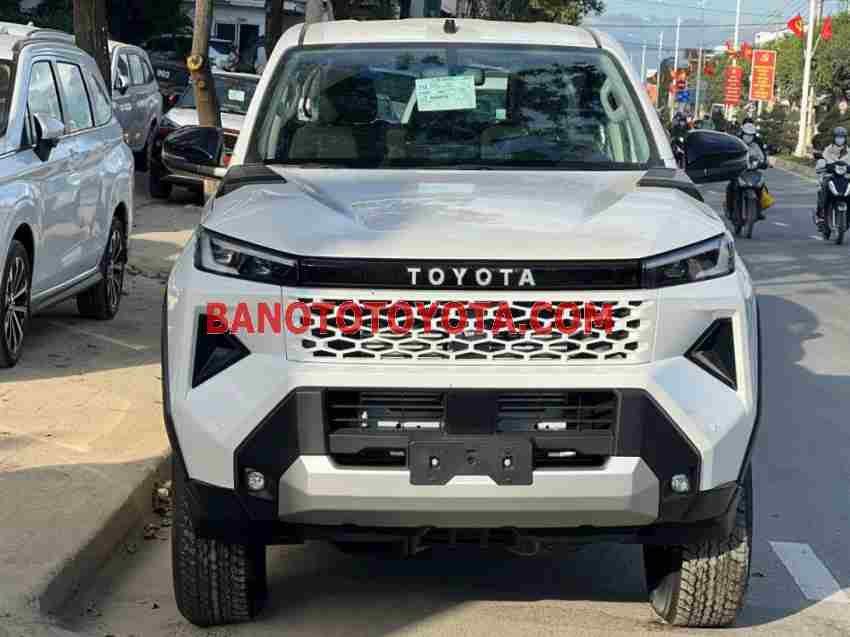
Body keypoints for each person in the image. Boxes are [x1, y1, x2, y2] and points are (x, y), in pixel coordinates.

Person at [726, 122, 768, 219]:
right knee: (731, 187)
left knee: (762, 187)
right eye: (746, 134)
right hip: (738, 171)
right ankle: (729, 210)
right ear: (742, 133)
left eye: (751, 135)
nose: (748, 137)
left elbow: (762, 158)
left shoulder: (755, 146)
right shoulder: (736, 143)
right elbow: (729, 154)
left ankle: (758, 210)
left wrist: (764, 163)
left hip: (753, 172)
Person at [815, 126, 850, 228]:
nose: (840, 139)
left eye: (842, 137)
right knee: (823, 190)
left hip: (845, 178)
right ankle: (820, 216)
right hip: (830, 177)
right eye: (838, 137)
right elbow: (822, 161)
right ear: (834, 138)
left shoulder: (849, 151)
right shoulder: (828, 150)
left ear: (845, 138)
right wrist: (822, 166)